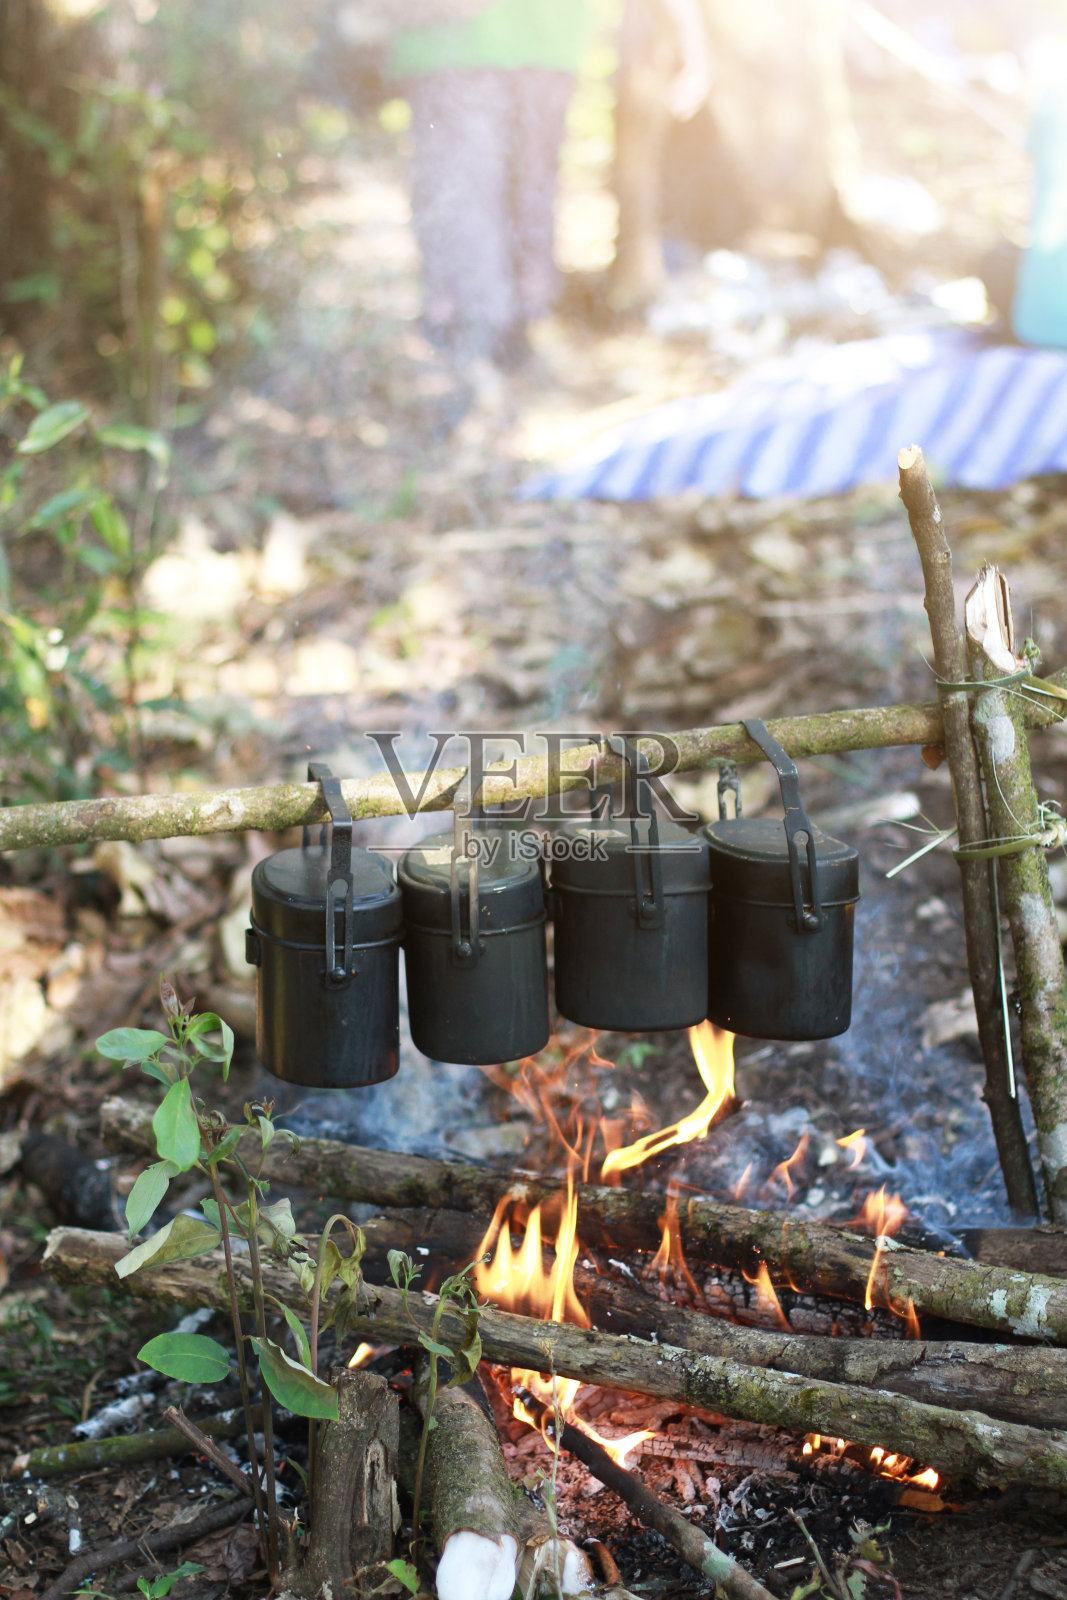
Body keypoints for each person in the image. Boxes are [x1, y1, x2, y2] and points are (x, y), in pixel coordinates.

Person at [385, 0, 592, 369]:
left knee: (510, 194)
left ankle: (490, 340)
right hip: (466, 39)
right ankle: (481, 340)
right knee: (479, 195)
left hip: (517, 39)